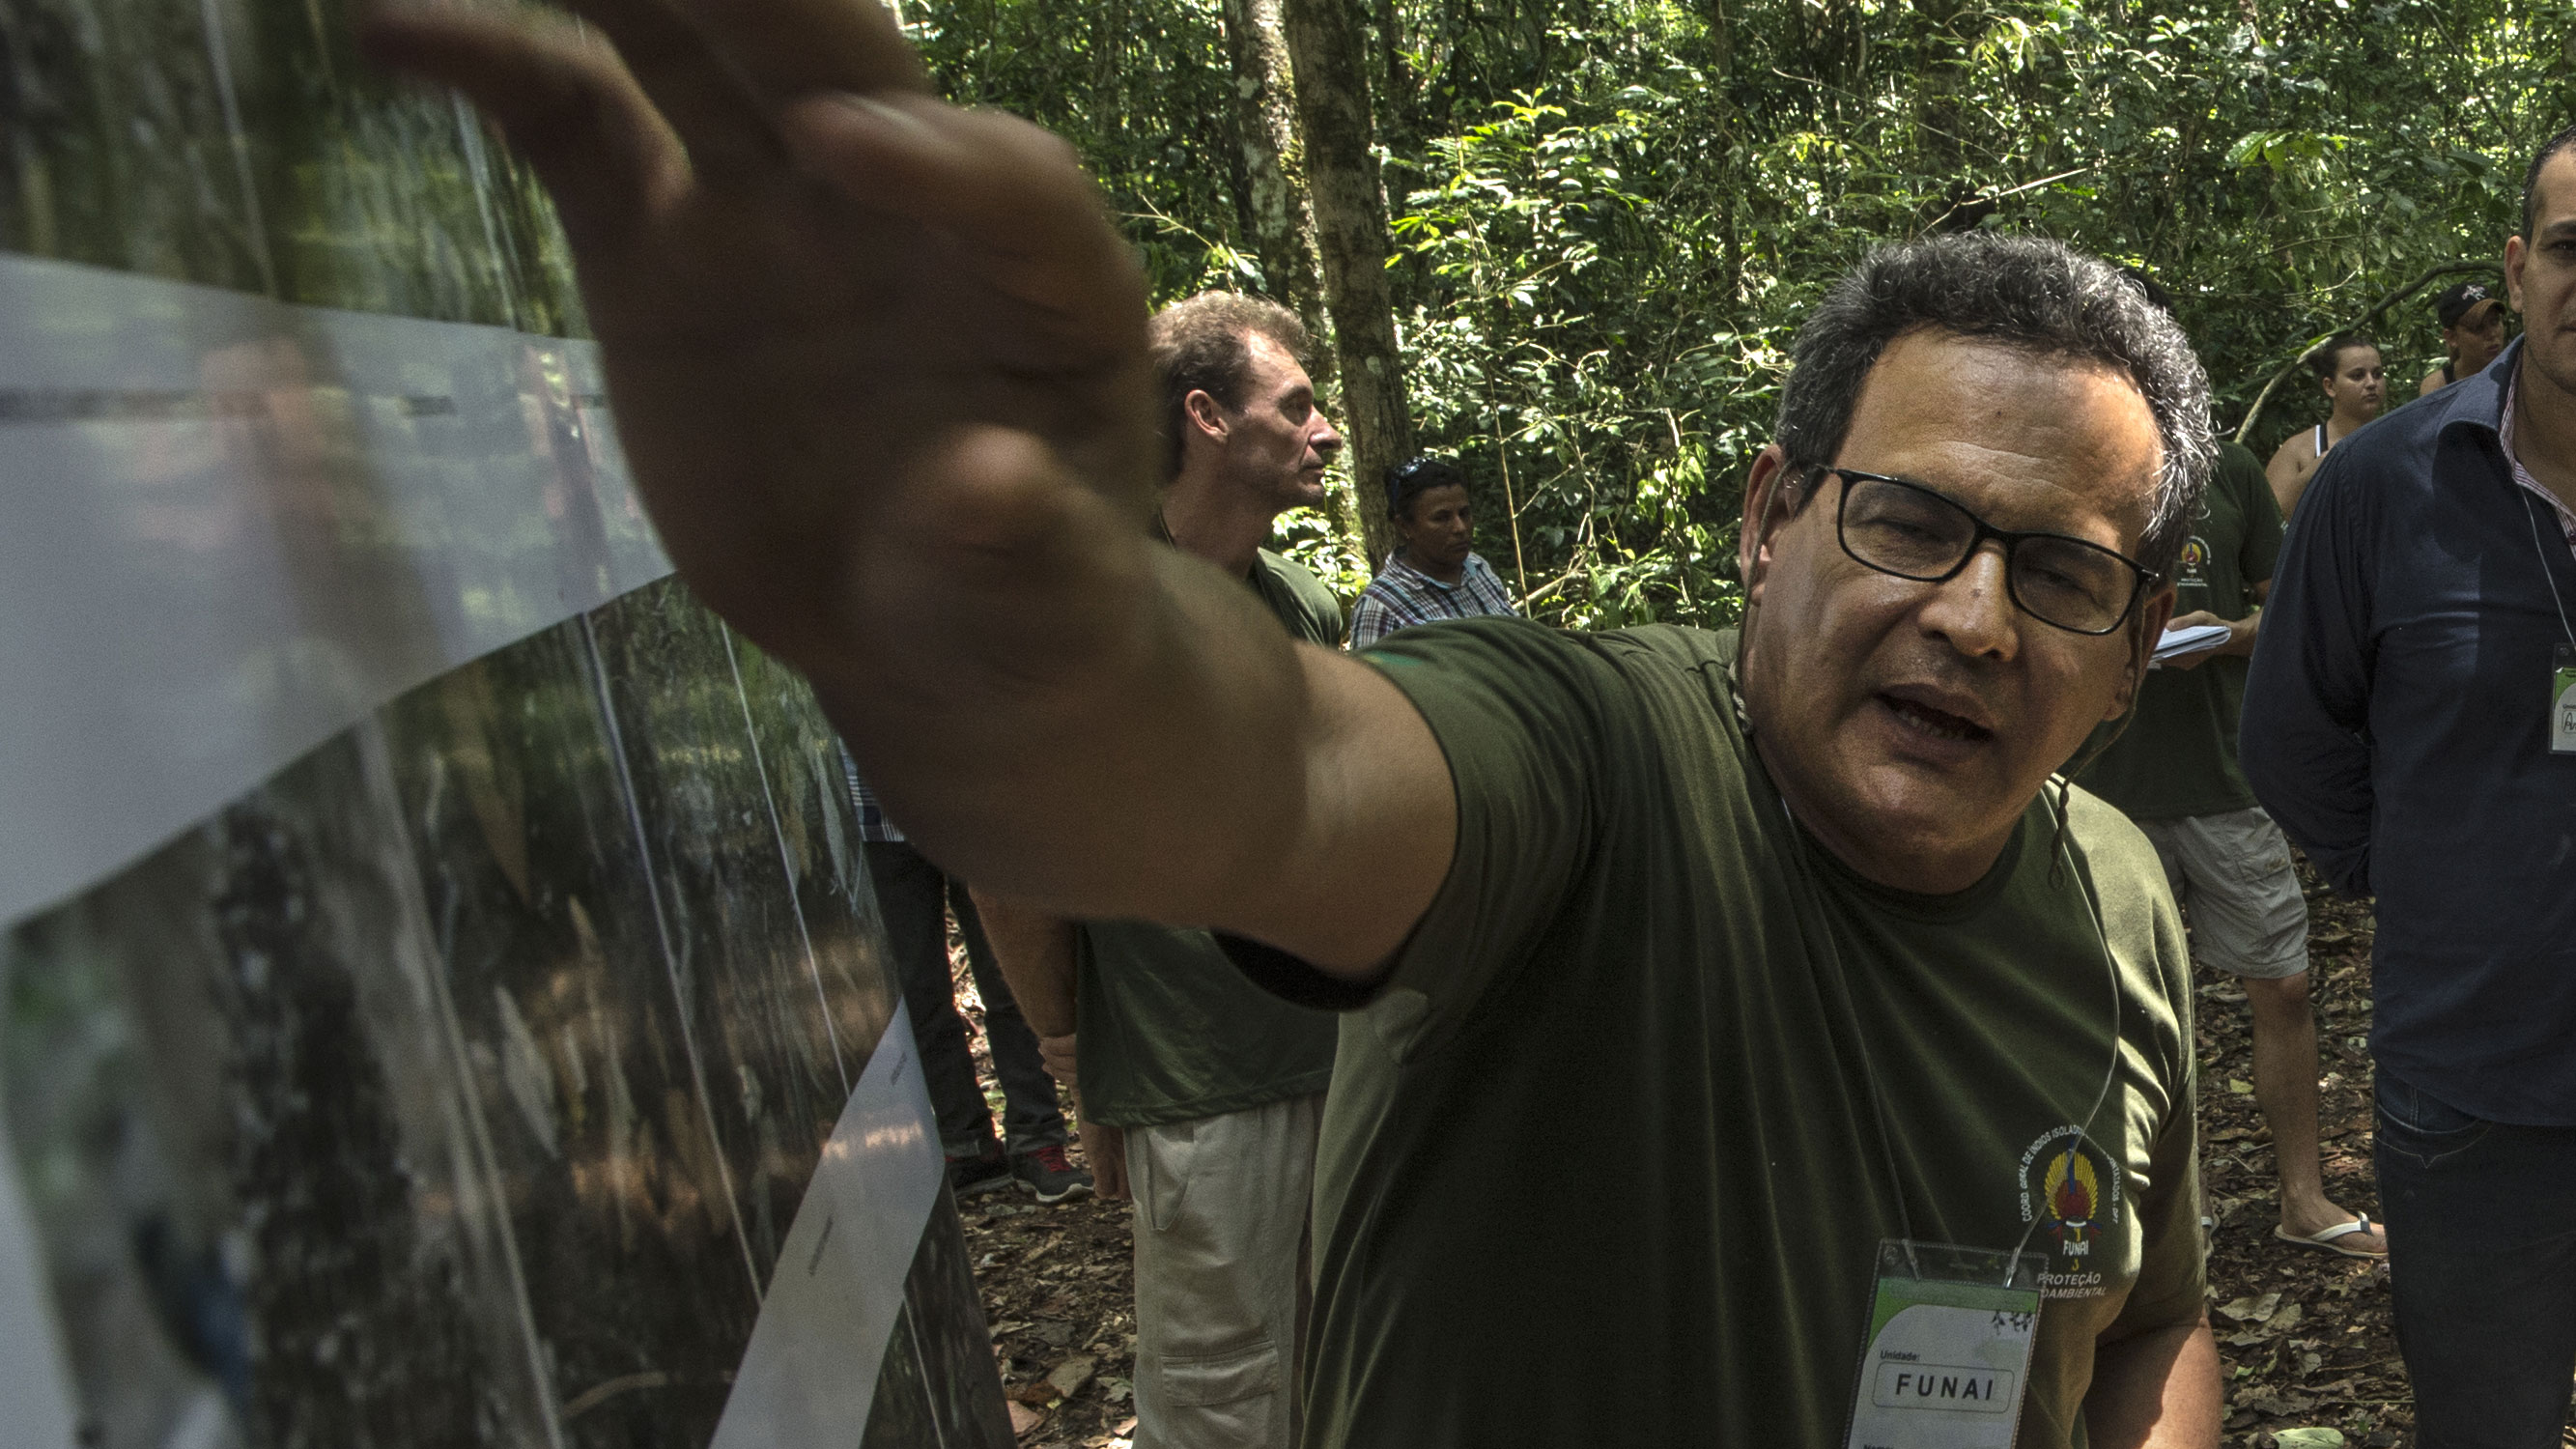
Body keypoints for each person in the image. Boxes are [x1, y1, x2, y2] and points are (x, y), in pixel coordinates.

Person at [365, 10, 2220, 1443]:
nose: (1972, 620)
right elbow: (1278, 770)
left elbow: (2143, 1323)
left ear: (2135, 649)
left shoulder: (2117, 897)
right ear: (1765, 519)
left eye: (2057, 578)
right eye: (1908, 522)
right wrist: (1039, 642)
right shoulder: (1598, 757)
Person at [2244, 126, 2576, 1449]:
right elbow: (2286, 739)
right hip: (2467, 1093)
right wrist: (2429, 871)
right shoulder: (2380, 485)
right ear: (2514, 267)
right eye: (2567, 250)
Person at [977, 293, 1346, 1449]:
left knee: (1340, 1366)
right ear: (1207, 419)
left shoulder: (1304, 609)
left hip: (1336, 1060)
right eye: (1296, 405)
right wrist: (1074, 1055)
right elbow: (1012, 867)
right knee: (1221, 1396)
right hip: (1197, 1084)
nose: (1325, 428)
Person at [2073, 414, 2385, 1261]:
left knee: (2281, 984)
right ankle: (2156, 1223)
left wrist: (2222, 637)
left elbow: (2285, 607)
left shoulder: (2231, 473)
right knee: (2117, 1007)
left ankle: (2302, 1199)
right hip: (2102, 788)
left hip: (2221, 783)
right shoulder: (2075, 461)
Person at [838, 749, 1091, 1203]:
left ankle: (1038, 1141)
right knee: (917, 992)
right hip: (872, 814)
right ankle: (966, 1145)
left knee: (1011, 977)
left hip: (971, 800)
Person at [1345, 455, 1518, 648]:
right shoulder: (1382, 607)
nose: (1460, 528)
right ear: (1404, 526)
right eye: (1442, 518)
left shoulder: (1478, 569)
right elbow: (1367, 677)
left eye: (1464, 513)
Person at [2265, 334, 2384, 520]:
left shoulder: (2398, 439)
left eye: (2377, 374)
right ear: (2330, 386)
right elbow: (2272, 520)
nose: (2371, 383)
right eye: (2357, 376)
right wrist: (2317, 471)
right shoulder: (2298, 450)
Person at [2415, 279, 2507, 397]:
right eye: (2478, 328)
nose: (2492, 334)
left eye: (2494, 322)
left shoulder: (2520, 372)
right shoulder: (2437, 387)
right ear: (2452, 338)